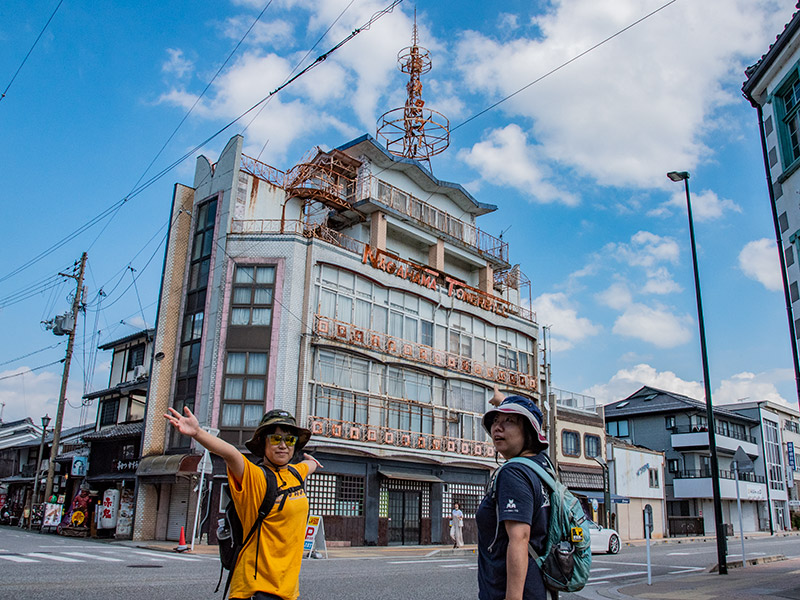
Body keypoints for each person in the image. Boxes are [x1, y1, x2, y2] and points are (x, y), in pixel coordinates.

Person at [165, 406, 320, 600]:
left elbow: (307, 466)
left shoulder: (295, 473)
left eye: (289, 440)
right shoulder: (255, 477)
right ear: (263, 443)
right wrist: (197, 433)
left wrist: (313, 462)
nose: (283, 445)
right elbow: (231, 454)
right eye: (275, 438)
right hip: (255, 590)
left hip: (288, 589)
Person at [476, 395, 552, 600]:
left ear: (528, 431)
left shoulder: (514, 473)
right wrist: (503, 400)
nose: (497, 428)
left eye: (509, 421)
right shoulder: (543, 468)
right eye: (495, 421)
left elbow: (520, 538)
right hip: (537, 588)